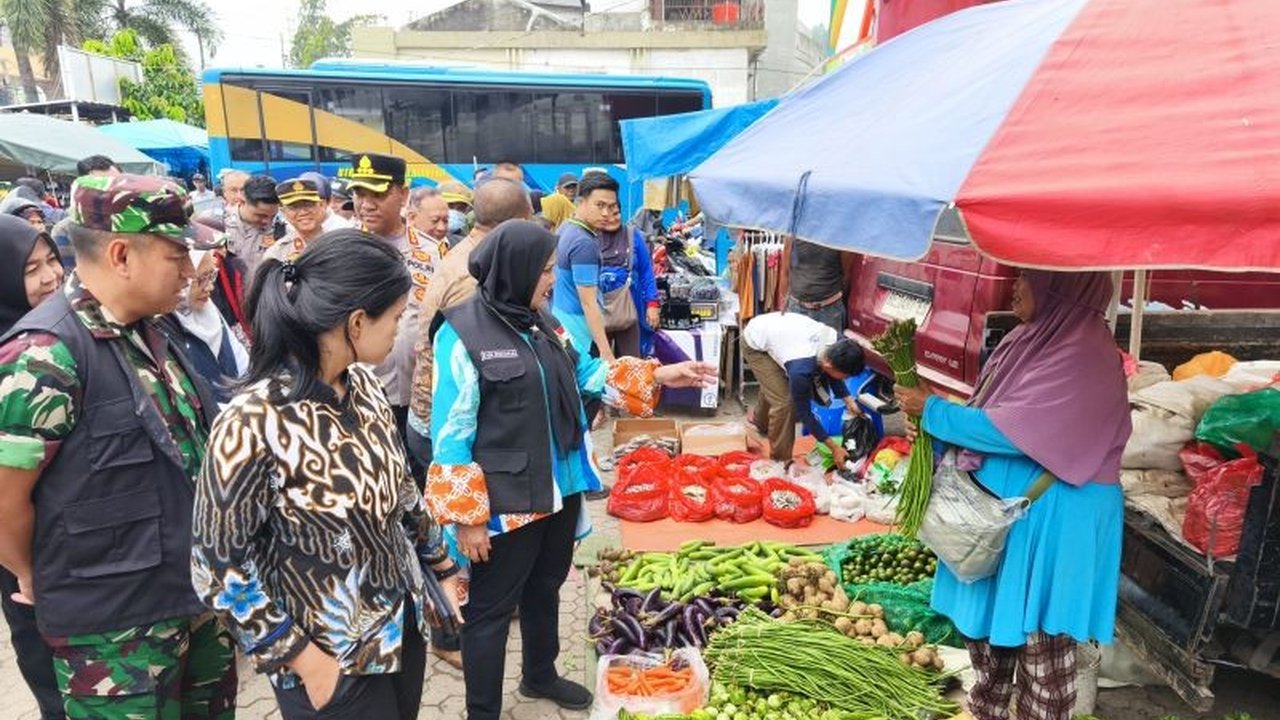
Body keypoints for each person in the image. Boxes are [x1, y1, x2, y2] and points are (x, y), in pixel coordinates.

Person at [427, 220, 716, 720]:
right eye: (543, 270)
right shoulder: (461, 333)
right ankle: (481, 711)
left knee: (546, 586)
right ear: (514, 271)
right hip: (505, 500)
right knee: (490, 612)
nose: (548, 280)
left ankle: (540, 673)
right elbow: (450, 431)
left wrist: (660, 373)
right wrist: (467, 517)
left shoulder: (542, 320)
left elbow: (586, 372)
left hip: (560, 485)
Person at [193, 231, 462, 720]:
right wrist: (300, 658)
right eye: (398, 318)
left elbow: (400, 489)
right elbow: (216, 567)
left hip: (397, 628)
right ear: (357, 323)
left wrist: (441, 566)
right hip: (328, 654)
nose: (401, 330)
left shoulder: (363, 385)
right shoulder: (252, 422)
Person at [0, 174, 236, 719]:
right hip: (113, 634)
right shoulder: (45, 355)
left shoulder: (154, 330)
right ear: (122, 254)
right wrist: (32, 571)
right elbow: (6, 499)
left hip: (191, 604)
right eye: (176, 254)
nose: (188, 270)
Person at [893, 271, 1130, 720]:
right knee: (989, 650)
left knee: (1043, 656)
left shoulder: (1084, 355)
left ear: (1060, 287)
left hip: (1056, 526)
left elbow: (1015, 430)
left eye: (1028, 277)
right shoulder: (1028, 340)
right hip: (1007, 524)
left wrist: (935, 412)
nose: (1014, 286)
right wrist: (933, 424)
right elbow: (991, 412)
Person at [405, 177, 533, 669]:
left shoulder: (461, 256)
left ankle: (474, 613)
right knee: (459, 540)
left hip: (429, 413)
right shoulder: (478, 275)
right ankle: (452, 637)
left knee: (463, 537)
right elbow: (460, 395)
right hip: (445, 421)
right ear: (517, 222)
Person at [0, 214, 66, 720]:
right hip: (24, 556)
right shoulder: (16, 358)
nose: (51, 277)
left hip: (70, 543)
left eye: (52, 261)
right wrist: (25, 573)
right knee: (50, 670)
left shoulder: (53, 337)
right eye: (31, 269)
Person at [741, 311, 866, 465]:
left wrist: (848, 400)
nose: (846, 380)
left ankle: (760, 421)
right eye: (846, 376)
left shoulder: (841, 345)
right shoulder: (801, 369)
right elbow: (804, 413)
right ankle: (781, 460)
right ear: (828, 365)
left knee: (776, 386)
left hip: (780, 333)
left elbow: (834, 373)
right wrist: (833, 448)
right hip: (755, 341)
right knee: (785, 403)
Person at [165, 242, 249, 404]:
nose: (210, 287)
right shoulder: (165, 325)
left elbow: (241, 360)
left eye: (212, 276)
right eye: (201, 279)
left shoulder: (209, 310)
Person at [552, 172, 621, 366]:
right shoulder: (584, 243)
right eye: (599, 205)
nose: (606, 213)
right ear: (580, 201)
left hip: (561, 319)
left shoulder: (566, 227)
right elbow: (588, 303)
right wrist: (606, 352)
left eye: (611, 206)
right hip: (580, 331)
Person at [597, 211, 659, 359]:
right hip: (596, 309)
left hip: (629, 308)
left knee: (632, 361)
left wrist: (652, 304)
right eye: (604, 210)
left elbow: (646, 271)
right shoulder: (589, 237)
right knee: (598, 364)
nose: (611, 217)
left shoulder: (632, 236)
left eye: (615, 211)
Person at [779, 236, 852, 333]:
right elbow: (785, 272)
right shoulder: (794, 233)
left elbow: (846, 275)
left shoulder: (842, 236)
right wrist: (784, 304)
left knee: (829, 348)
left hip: (830, 311)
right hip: (796, 309)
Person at [224, 173, 280, 278]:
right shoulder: (219, 226)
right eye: (261, 215)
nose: (267, 221)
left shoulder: (282, 229)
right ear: (242, 201)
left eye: (272, 216)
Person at [264, 178, 328, 263]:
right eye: (294, 207)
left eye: (308, 205)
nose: (303, 212)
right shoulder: (276, 253)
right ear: (283, 212)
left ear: (322, 205)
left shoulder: (339, 243)